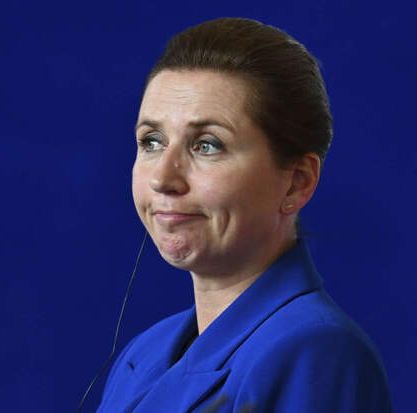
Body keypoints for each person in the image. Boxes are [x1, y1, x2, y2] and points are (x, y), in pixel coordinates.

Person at [96, 17, 393, 412]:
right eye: (152, 141)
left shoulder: (317, 355)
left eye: (207, 145)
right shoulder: (146, 351)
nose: (162, 179)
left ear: (296, 183)